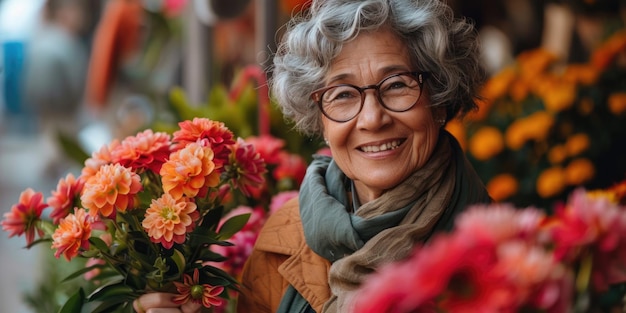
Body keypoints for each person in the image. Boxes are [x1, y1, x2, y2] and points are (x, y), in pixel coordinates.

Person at [135, 0, 491, 312]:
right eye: (343, 95)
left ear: (440, 101)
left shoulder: (496, 245)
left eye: (398, 84)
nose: (371, 119)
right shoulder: (282, 239)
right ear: (319, 118)